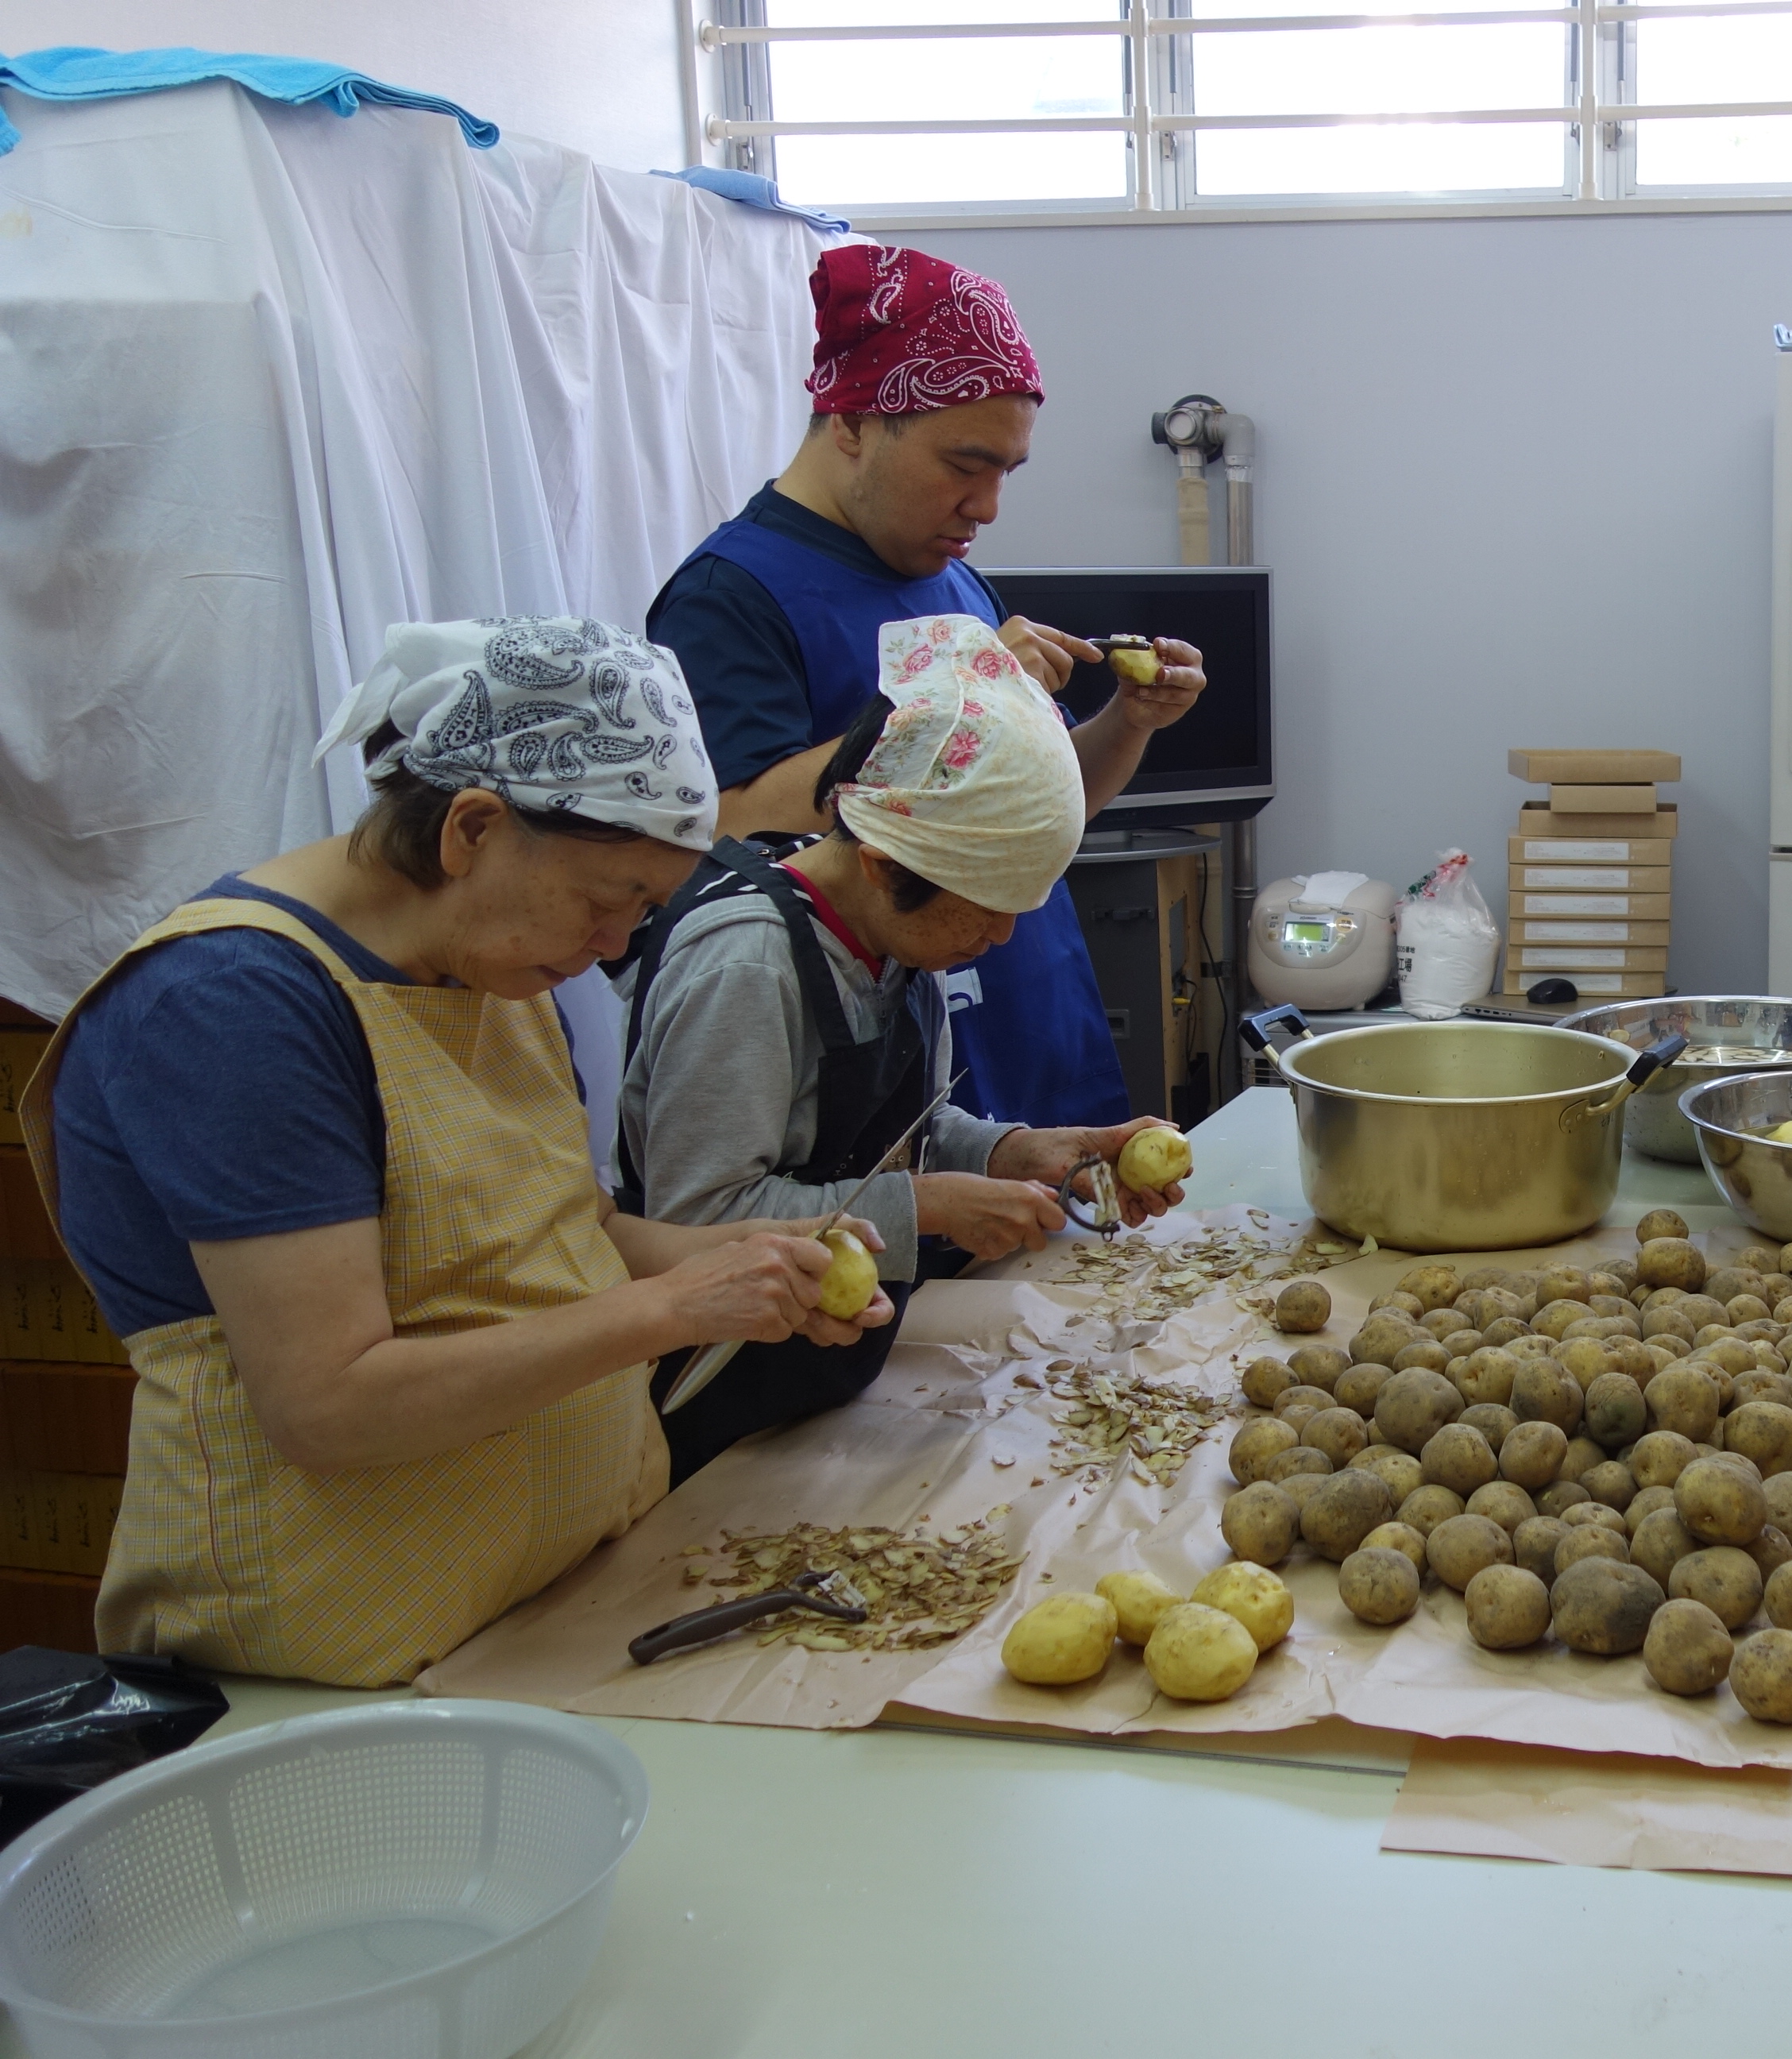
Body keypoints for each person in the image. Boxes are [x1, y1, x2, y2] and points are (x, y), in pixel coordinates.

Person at [19, 620, 893, 1688]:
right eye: (610, 899)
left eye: (646, 910)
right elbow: (331, 1404)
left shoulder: (493, 968)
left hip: (553, 1602)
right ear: (472, 829)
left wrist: (751, 1252)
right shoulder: (236, 1007)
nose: (616, 946)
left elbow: (565, 1232)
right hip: (334, 1662)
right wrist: (676, 1311)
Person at [647, 245, 1209, 1134]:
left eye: (1005, 474)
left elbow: (1037, 805)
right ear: (853, 422)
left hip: (1033, 1030)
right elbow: (725, 829)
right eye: (964, 464)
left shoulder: (950, 579)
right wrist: (952, 699)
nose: (986, 507)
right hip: (892, 1071)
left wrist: (1128, 722)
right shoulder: (732, 596)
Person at [617, 614, 1188, 1482]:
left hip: (834, 1380)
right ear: (884, 862)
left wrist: (1014, 1152)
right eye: (986, 905)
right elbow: (695, 1219)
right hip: (724, 1406)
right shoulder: (746, 962)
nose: (1000, 935)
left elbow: (905, 1126)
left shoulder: (894, 935)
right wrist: (923, 1206)